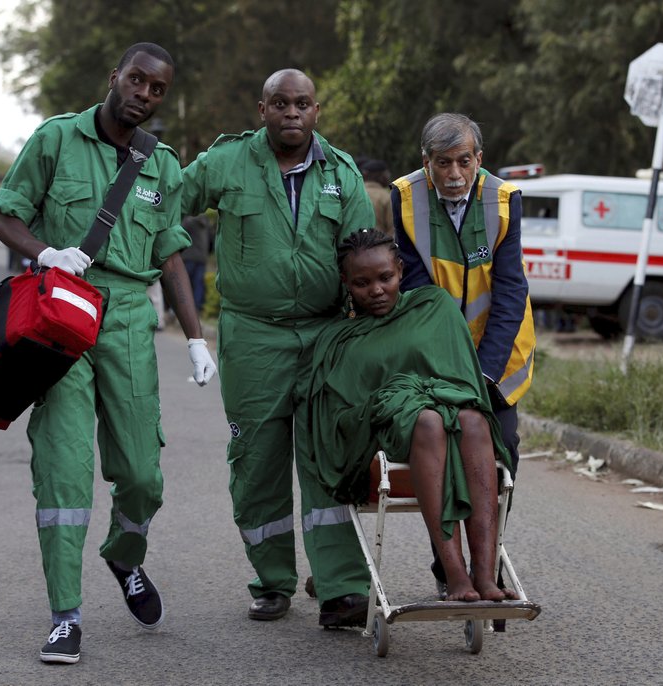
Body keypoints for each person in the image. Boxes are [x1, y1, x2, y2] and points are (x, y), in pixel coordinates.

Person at [0, 42, 217, 665]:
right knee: (64, 473)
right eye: (136, 80)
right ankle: (66, 614)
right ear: (115, 76)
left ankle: (125, 554)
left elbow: (170, 252)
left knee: (142, 474)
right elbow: (2, 216)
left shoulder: (163, 166)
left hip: (126, 321)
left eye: (157, 88)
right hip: (60, 314)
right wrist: (43, 253)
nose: (144, 93)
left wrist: (195, 336)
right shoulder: (56, 140)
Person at [181, 68, 375, 627]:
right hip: (252, 336)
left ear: (317, 112)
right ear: (261, 110)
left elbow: (365, 261)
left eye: (303, 104)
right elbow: (167, 203)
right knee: (258, 461)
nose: (292, 113)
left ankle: (341, 588)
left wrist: (364, 340)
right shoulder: (228, 162)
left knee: (328, 459)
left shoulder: (342, 173)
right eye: (281, 103)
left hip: (325, 337)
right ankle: (271, 582)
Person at [306, 229, 518, 601]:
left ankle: (485, 575)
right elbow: (340, 419)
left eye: (385, 277)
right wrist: (400, 400)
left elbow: (464, 381)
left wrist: (425, 397)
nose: (376, 290)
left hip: (448, 418)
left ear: (401, 271)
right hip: (383, 438)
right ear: (345, 283)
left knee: (473, 419)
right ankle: (455, 576)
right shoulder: (340, 338)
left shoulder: (433, 305)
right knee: (428, 421)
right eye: (362, 282)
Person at [391, 112, 535, 593]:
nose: (454, 175)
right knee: (440, 455)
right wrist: (448, 368)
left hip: (497, 358)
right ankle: (448, 567)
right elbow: (414, 290)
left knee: (504, 452)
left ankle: (486, 562)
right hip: (435, 354)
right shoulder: (405, 197)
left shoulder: (505, 201)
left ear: (480, 159)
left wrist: (486, 374)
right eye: (443, 163)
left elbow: (511, 292)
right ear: (426, 161)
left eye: (464, 162)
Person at [180, 213, 212, 313]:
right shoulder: (206, 222)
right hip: (202, 258)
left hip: (188, 256)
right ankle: (196, 309)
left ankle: (179, 310)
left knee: (183, 284)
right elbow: (211, 241)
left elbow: (178, 236)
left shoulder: (188, 221)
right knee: (198, 284)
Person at [361, 159, 393, 236]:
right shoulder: (386, 197)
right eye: (386, 174)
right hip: (379, 245)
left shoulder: (352, 193)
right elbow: (393, 229)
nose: (389, 176)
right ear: (380, 176)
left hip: (353, 245)